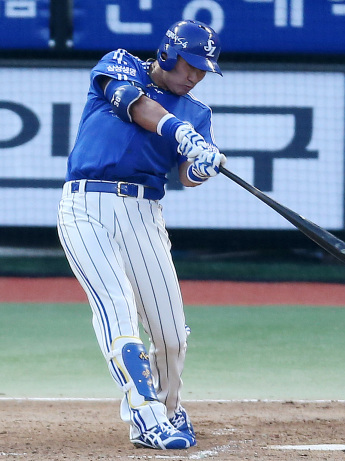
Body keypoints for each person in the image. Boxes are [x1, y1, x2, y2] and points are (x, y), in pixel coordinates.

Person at [56, 20, 227, 450]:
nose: (194, 76)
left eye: (203, 70)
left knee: (170, 333)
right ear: (169, 53)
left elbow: (187, 176)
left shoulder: (198, 113)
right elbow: (132, 103)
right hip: (86, 205)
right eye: (190, 65)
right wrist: (177, 130)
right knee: (117, 309)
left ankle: (168, 410)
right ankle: (146, 414)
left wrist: (200, 167)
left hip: (144, 212)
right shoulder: (121, 65)